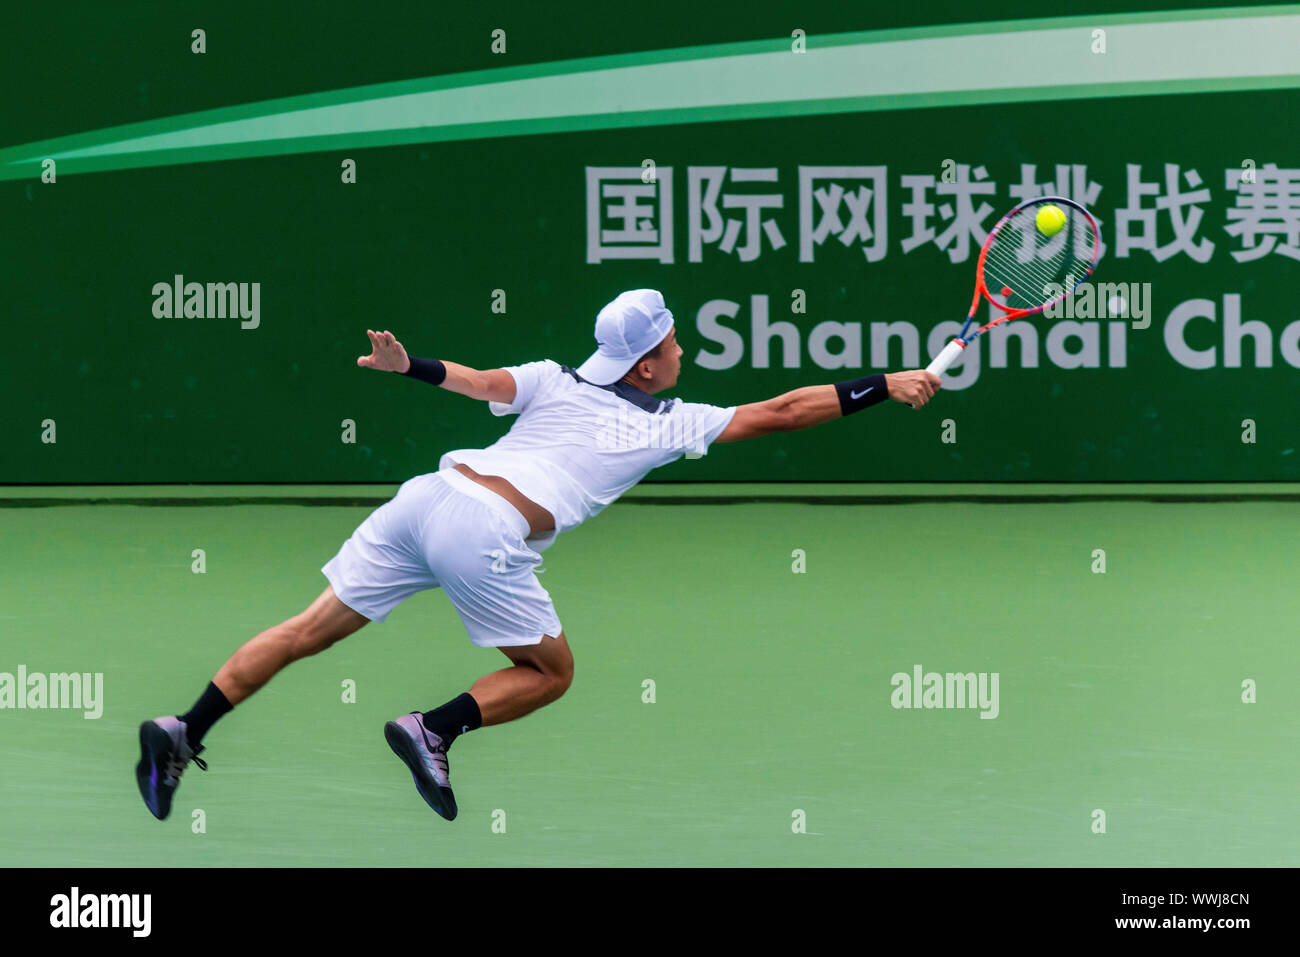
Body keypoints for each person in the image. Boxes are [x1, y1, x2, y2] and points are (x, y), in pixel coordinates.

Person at [135, 289, 941, 822]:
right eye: (674, 342)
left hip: (425, 498)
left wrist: (406, 366)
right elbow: (784, 411)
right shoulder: (666, 423)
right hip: (484, 531)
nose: (683, 350)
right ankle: (433, 728)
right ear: (648, 364)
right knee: (551, 672)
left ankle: (184, 728)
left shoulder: (555, 379)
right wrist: (883, 383)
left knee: (308, 628)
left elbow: (482, 383)